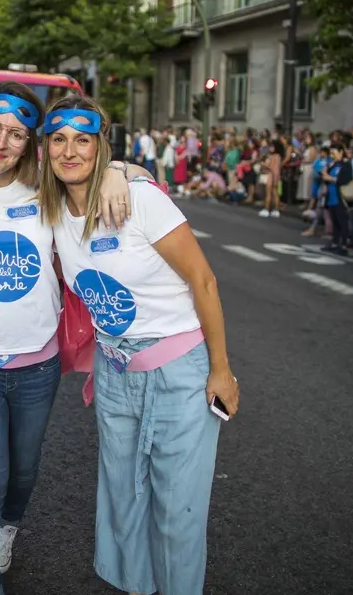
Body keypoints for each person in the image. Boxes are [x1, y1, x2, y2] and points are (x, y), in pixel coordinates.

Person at [0, 83, 141, 595]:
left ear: (32, 143)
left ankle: (7, 529)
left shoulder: (48, 187)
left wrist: (117, 169)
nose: (2, 142)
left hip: (37, 366)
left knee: (23, 473)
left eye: (18, 133)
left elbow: (119, 173)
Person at [38, 96, 240, 595]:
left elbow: (204, 281)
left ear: (100, 145)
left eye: (83, 140)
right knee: (123, 503)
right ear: (45, 148)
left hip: (179, 371)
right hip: (113, 373)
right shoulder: (52, 210)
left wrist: (221, 370)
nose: (70, 151)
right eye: (58, 139)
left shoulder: (139, 200)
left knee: (177, 510)